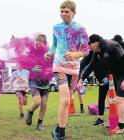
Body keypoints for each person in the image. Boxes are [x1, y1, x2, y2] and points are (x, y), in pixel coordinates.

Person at [45, 1, 89, 139]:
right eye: (61, 11)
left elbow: (86, 50)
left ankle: (57, 128)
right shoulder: (56, 28)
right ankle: (61, 134)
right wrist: (49, 53)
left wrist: (75, 55)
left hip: (74, 69)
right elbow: (55, 45)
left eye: (66, 11)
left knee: (68, 100)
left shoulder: (80, 29)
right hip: (59, 66)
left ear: (73, 13)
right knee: (64, 101)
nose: (63, 14)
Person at [88, 34, 124, 134]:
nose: (89, 46)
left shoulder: (112, 46)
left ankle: (121, 127)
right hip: (117, 75)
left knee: (120, 99)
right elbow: (91, 65)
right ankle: (118, 123)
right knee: (118, 100)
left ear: (96, 43)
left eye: (89, 44)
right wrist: (81, 79)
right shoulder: (98, 51)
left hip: (122, 74)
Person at [26, 34, 53, 131]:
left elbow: (53, 65)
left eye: (39, 44)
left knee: (44, 104)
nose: (37, 46)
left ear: (45, 43)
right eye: (36, 44)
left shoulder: (50, 53)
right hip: (34, 81)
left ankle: (39, 124)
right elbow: (26, 64)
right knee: (37, 101)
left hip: (45, 82)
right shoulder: (31, 53)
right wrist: (32, 68)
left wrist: (51, 69)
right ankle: (30, 111)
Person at [79, 50, 109, 125]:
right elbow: (89, 69)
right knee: (101, 99)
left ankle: (118, 120)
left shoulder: (104, 57)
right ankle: (100, 118)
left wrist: (107, 78)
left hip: (112, 80)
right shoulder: (93, 61)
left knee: (115, 99)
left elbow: (111, 66)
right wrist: (82, 79)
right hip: (103, 82)